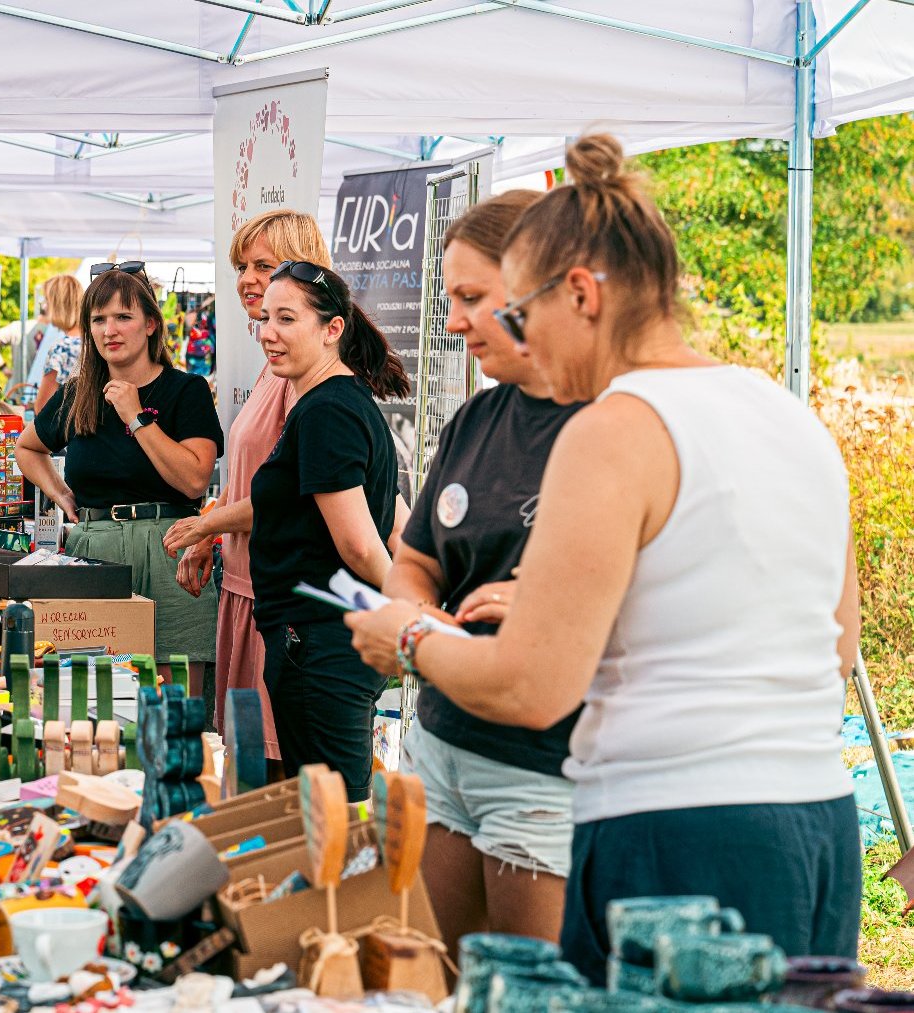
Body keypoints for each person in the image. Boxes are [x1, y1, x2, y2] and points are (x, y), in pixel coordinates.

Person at [345, 135, 860, 977]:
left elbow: (528, 684)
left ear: (580, 294)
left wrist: (403, 637)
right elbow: (837, 646)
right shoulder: (786, 412)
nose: (524, 344)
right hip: (816, 819)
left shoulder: (613, 427)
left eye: (522, 315)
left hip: (676, 835)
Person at [378, 189, 581, 951]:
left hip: (543, 766)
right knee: (438, 968)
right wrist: (422, 622)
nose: (455, 321)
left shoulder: (614, 429)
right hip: (443, 740)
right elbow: (414, 560)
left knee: (533, 995)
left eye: (471, 297)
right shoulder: (477, 417)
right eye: (449, 299)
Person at [164, 209, 332, 769]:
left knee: (271, 776)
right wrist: (209, 533)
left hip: (276, 601)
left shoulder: (305, 371)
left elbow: (290, 496)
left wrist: (205, 525)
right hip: (246, 587)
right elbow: (252, 478)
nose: (246, 278)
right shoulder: (272, 363)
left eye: (263, 264)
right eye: (241, 265)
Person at [238, 262, 410, 799]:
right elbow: (394, 520)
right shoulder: (336, 402)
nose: (269, 332)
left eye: (287, 318)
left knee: (336, 814)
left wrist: (405, 609)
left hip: (321, 642)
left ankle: (354, 888)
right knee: (329, 807)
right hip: (324, 639)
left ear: (332, 329)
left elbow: (361, 542)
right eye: (266, 318)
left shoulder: (328, 411)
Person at [17, 264, 224, 671]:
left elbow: (195, 480)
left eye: (123, 317)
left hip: (172, 550)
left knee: (177, 696)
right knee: (93, 693)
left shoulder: (186, 391)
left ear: (150, 324)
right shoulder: (77, 394)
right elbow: (26, 447)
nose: (109, 329)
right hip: (96, 553)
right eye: (98, 319)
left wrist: (137, 418)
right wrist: (60, 494)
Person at [32, 273, 84, 413]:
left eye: (47, 301)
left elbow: (42, 409)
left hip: (66, 431)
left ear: (58, 305)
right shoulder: (94, 340)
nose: (45, 307)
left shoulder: (62, 348)